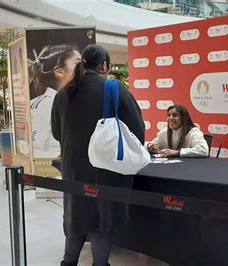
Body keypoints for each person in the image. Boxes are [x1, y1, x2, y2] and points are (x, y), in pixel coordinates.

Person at [51, 44, 145, 266]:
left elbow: (57, 133)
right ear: (104, 65)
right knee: (103, 222)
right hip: (106, 170)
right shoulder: (114, 89)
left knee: (76, 218)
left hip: (72, 168)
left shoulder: (64, 93)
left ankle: (68, 262)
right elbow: (137, 132)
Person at [28, 44, 81, 158]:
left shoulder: (76, 102)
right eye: (78, 64)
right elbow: (34, 151)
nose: (85, 69)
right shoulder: (43, 105)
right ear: (59, 72)